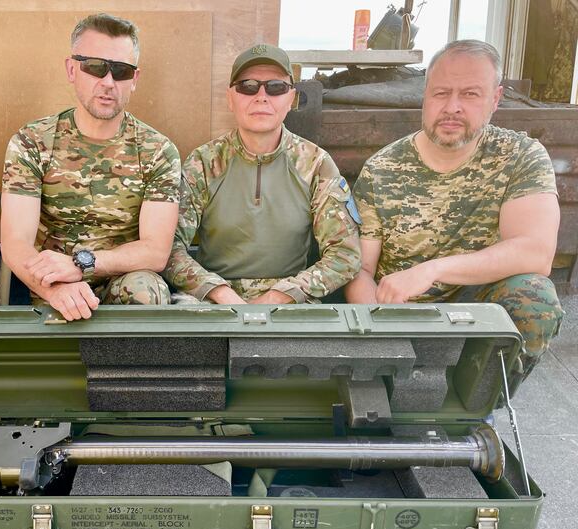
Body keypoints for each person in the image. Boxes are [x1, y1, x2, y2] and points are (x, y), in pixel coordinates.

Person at [345, 39, 563, 387]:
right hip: (396, 310)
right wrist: (382, 325)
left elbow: (535, 252)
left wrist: (432, 270)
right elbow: (360, 269)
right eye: (441, 93)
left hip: (474, 310)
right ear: (425, 96)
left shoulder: (520, 156)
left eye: (470, 94)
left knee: (534, 297)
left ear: (495, 99)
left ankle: (475, 406)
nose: (452, 107)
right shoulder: (382, 169)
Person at [1, 13, 180, 321]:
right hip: (50, 283)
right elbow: (16, 243)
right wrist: (55, 288)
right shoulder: (33, 141)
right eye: (95, 67)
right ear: (72, 69)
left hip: (121, 282)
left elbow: (155, 250)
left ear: (134, 79)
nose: (108, 82)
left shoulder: (157, 150)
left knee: (147, 291)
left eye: (120, 71)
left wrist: (82, 263)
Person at [163, 44, 361, 305]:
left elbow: (344, 255)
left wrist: (277, 297)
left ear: (291, 98)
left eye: (276, 87)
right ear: (230, 98)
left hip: (290, 301)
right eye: (248, 86)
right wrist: (219, 293)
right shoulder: (204, 162)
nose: (261, 96)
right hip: (213, 301)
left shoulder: (315, 164)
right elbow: (169, 247)